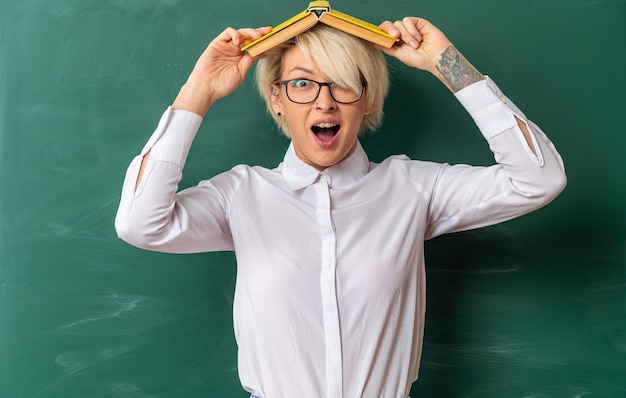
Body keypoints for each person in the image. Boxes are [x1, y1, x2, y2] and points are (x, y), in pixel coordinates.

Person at [115, 14, 566, 398]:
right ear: (277, 98)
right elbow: (141, 224)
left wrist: (447, 64)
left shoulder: (413, 188)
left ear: (367, 99)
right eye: (302, 84)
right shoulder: (241, 195)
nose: (324, 101)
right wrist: (200, 90)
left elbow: (538, 179)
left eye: (344, 84)